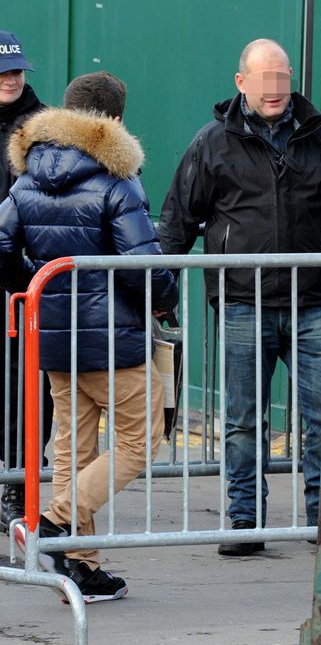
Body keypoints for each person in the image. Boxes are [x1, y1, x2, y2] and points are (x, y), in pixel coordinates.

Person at [158, 38, 321, 556]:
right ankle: (244, 522)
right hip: (242, 302)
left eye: (281, 77)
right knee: (242, 419)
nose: (274, 89)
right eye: (262, 79)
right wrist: (159, 287)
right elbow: (176, 222)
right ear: (241, 83)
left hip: (315, 303)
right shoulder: (211, 143)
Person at [0, 71, 178, 601]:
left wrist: (36, 288)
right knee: (139, 442)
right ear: (114, 119)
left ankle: (81, 571)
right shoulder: (115, 178)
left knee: (73, 452)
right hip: (114, 340)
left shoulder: (27, 177)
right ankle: (54, 522)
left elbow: (3, 247)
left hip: (54, 339)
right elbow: (142, 264)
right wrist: (165, 300)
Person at [0, 29, 53, 534]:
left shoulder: (43, 127)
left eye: (16, 69)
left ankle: (18, 485)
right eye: (3, 71)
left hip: (24, 279)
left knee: (28, 386)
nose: (11, 78)